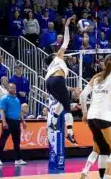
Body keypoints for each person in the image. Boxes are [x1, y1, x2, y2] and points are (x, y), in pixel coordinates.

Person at [80, 54, 111, 179]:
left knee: (102, 149)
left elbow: (83, 96)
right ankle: (110, 175)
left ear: (105, 64)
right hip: (105, 117)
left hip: (91, 117)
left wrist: (84, 113)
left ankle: (93, 172)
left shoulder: (96, 77)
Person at [44, 16, 78, 144]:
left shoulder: (51, 66)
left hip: (48, 83)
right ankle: (70, 133)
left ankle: (53, 123)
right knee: (67, 107)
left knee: (61, 102)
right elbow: (66, 40)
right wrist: (67, 26)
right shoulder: (57, 57)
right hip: (57, 80)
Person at [0, 83, 27, 166]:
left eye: (15, 88)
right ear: (8, 89)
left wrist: (23, 121)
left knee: (17, 142)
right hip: (8, 121)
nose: (14, 89)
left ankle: (18, 159)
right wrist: (4, 122)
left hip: (16, 122)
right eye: (12, 88)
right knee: (3, 140)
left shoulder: (17, 99)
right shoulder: (4, 98)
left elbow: (19, 111)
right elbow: (2, 111)